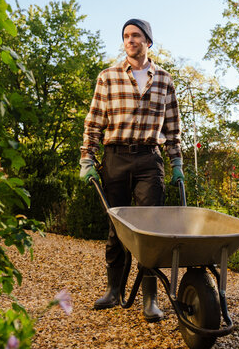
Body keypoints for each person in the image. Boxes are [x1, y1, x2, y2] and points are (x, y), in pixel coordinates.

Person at [79, 18, 184, 322]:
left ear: (148, 41)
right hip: (115, 159)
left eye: (136, 35)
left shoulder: (164, 79)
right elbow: (95, 121)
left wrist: (176, 162)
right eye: (126, 36)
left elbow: (173, 127)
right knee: (117, 229)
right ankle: (114, 290)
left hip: (149, 160)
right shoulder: (108, 77)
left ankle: (149, 299)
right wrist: (88, 158)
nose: (130, 40)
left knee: (150, 232)